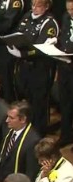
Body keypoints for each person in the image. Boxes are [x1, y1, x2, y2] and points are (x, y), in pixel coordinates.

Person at [8, 0, 59, 136]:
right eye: (33, 5)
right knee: (27, 99)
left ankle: (38, 134)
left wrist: (23, 53)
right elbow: (19, 34)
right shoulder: (27, 17)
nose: (34, 8)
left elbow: (40, 48)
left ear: (46, 7)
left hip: (40, 68)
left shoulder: (49, 23)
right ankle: (26, 129)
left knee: (39, 103)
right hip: (25, 67)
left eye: (38, 6)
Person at [0, 100, 40, 182]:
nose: (7, 120)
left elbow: (30, 172)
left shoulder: (33, 141)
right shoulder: (9, 131)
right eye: (7, 116)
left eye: (11, 118)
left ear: (23, 119)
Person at [54, 0, 73, 148]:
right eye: (68, 10)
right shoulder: (66, 17)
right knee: (65, 102)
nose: (70, 13)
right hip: (64, 66)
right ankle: (66, 135)